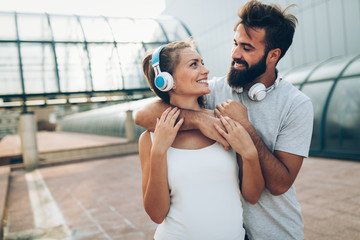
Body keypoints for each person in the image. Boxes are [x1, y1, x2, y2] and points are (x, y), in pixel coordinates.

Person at [135, 1, 314, 239]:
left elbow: (280, 185)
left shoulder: (296, 104)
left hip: (272, 232)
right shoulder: (213, 91)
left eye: (247, 48)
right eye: (235, 43)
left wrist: (246, 129)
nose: (235, 54)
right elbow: (143, 115)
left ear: (273, 55)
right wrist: (199, 120)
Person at [139, 41, 264, 240]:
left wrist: (250, 154)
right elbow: (156, 214)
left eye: (202, 63)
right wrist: (158, 152)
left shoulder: (226, 124)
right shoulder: (150, 139)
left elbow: (253, 196)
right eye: (193, 64)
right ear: (167, 80)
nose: (205, 70)